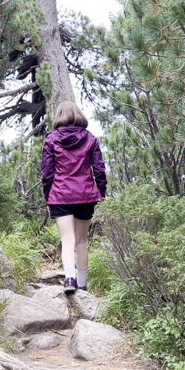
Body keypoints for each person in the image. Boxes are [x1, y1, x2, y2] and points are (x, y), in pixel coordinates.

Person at [40, 101, 107, 294]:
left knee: (67, 240)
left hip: (60, 195)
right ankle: (83, 284)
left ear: (59, 115)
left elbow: (47, 173)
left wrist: (48, 197)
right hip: (85, 195)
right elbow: (100, 170)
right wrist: (100, 192)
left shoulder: (51, 139)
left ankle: (69, 279)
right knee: (81, 241)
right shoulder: (90, 138)